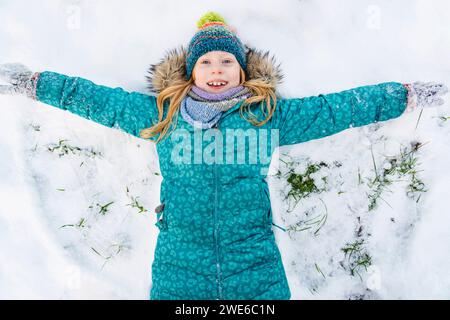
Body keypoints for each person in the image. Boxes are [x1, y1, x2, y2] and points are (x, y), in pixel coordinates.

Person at [0, 11, 447, 300]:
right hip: (181, 260)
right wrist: (32, 83)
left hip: (254, 261)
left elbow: (337, 109)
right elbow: (97, 100)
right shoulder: (163, 115)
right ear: (191, 72)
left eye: (226, 63)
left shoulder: (266, 116)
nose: (217, 71)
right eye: (207, 63)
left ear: (242, 71)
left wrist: (406, 95)